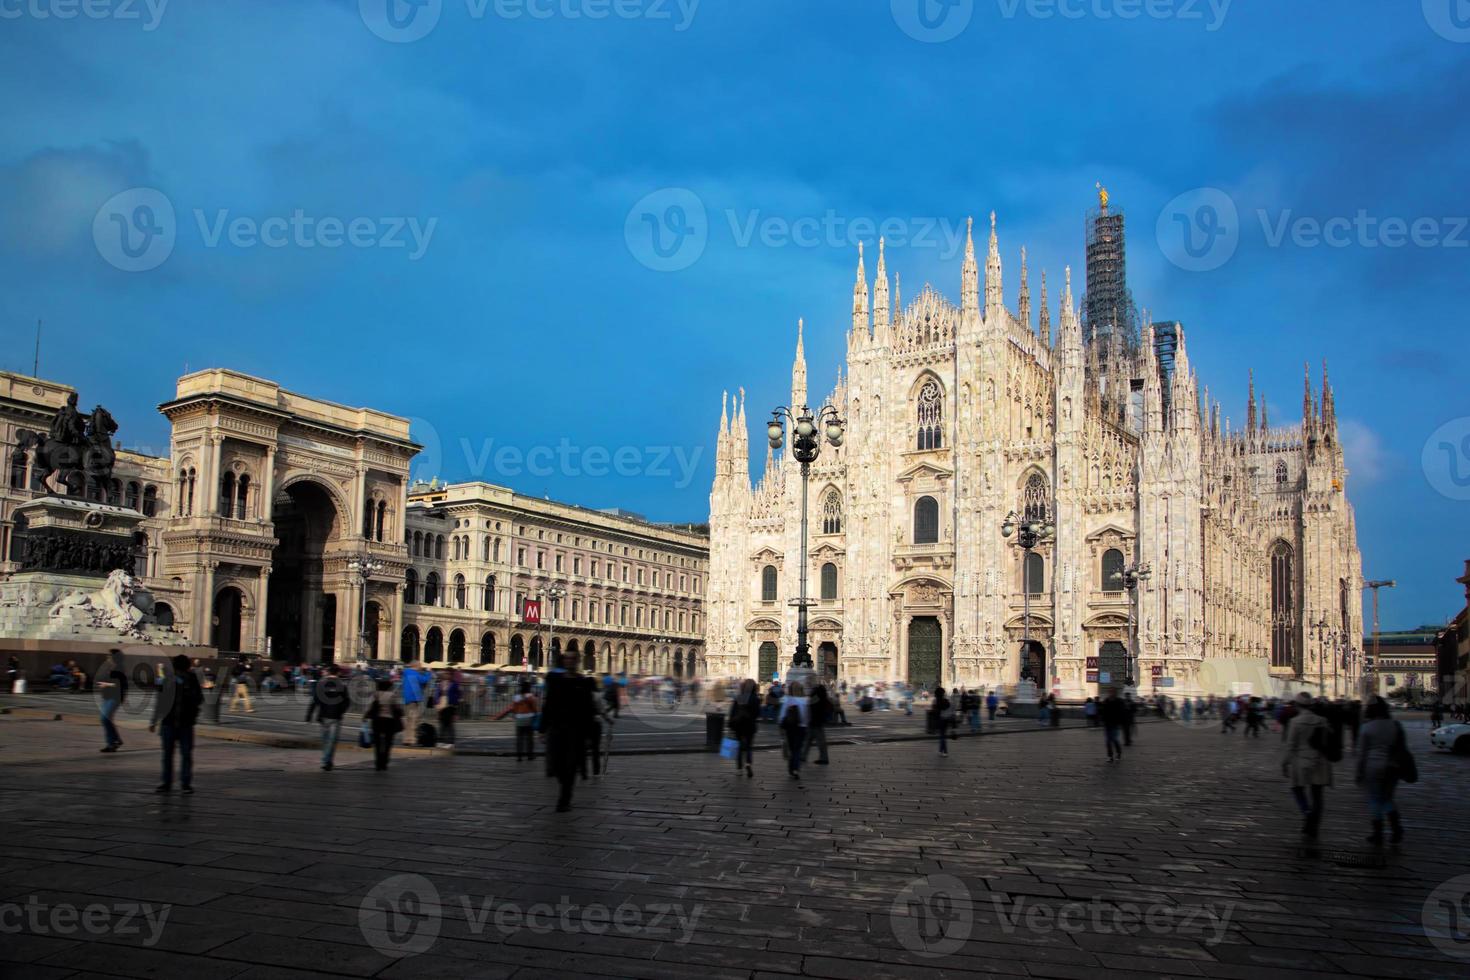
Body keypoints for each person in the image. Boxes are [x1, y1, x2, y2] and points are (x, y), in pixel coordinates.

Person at [540, 652, 596, 811]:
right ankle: (565, 786)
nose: (569, 661)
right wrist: (542, 729)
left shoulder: (582, 682)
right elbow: (548, 704)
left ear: (577, 661)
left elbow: (588, 709)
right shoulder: (555, 680)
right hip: (557, 728)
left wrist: (589, 735)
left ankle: (565, 797)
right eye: (566, 658)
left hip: (575, 730)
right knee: (556, 765)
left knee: (570, 764)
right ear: (563, 661)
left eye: (572, 658)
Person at [1281, 692, 1334, 840]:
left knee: (1297, 789)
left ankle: (1307, 813)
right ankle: (1314, 824)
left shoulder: (1295, 722)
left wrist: (1285, 763)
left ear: (1298, 706)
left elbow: (1290, 745)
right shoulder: (1322, 720)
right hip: (1320, 761)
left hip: (1301, 761)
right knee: (1318, 795)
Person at [1356, 698, 1407, 845]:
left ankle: (1378, 833)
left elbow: (1362, 754)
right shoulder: (1395, 725)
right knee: (1387, 798)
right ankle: (1396, 828)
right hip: (1392, 767)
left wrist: (1359, 772)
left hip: (1372, 767)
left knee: (1374, 799)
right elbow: (1402, 747)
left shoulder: (1367, 727)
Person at [149, 654, 203, 794]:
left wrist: (154, 721)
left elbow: (159, 702)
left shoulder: (182, 679)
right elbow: (199, 699)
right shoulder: (176, 679)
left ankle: (168, 783)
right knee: (183, 755)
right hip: (182, 723)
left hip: (173, 722)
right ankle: (183, 784)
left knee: (169, 755)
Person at [306, 664, 351, 770]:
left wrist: (309, 715)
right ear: (338, 673)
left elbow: (314, 701)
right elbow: (347, 702)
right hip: (335, 716)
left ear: (329, 672)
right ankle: (327, 761)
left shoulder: (321, 684)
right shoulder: (342, 685)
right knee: (332, 741)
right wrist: (341, 712)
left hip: (323, 716)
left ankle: (326, 760)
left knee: (325, 740)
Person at [364, 679, 404, 770]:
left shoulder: (376, 694)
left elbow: (370, 707)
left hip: (377, 720)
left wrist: (365, 716)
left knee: (377, 743)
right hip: (389, 721)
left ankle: (378, 763)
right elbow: (397, 708)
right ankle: (384, 762)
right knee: (388, 743)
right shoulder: (392, 695)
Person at [495, 681, 540, 761]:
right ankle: (530, 756)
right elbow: (535, 709)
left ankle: (519, 756)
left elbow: (513, 709)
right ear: (529, 688)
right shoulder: (531, 697)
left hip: (519, 719)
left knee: (519, 739)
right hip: (529, 720)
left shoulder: (516, 697)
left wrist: (499, 716)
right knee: (529, 739)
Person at [96, 649, 128, 752]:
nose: (107, 657)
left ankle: (113, 741)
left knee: (105, 718)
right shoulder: (111, 667)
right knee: (106, 719)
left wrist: (106, 684)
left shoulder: (120, 668)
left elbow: (120, 684)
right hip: (108, 696)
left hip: (115, 697)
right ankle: (113, 742)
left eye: (109, 655)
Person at [728, 679, 760, 777]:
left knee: (738, 746)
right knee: (749, 746)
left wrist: (730, 723)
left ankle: (739, 769)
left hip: (738, 725)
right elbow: (757, 713)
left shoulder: (739, 697)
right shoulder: (755, 698)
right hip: (750, 725)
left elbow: (732, 712)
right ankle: (748, 764)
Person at [779, 681, 810, 778]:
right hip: (802, 728)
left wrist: (781, 727)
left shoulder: (788, 700)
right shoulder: (805, 700)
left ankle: (791, 768)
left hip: (790, 728)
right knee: (798, 749)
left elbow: (782, 715)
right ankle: (796, 769)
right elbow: (807, 716)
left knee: (792, 748)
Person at [400, 661, 432, 736]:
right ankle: (412, 738)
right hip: (414, 698)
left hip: (407, 698)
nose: (421, 667)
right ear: (416, 666)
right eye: (420, 665)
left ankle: (407, 738)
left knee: (408, 718)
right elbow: (424, 680)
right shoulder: (415, 674)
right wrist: (428, 672)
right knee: (414, 719)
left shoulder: (406, 673)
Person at [805, 684, 833, 766]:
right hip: (818, 722)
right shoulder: (824, 698)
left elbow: (809, 708)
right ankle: (822, 758)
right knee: (818, 742)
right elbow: (830, 707)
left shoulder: (814, 699)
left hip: (814, 723)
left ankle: (823, 758)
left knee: (809, 741)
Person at [432, 670, 462, 746]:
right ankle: (441, 740)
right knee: (442, 724)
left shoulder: (454, 684)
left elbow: (458, 694)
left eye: (448, 674)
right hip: (442, 704)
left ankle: (451, 741)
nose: (446, 675)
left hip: (450, 705)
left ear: (451, 675)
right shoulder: (440, 684)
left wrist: (456, 705)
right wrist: (436, 703)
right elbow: (437, 694)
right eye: (445, 673)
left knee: (449, 724)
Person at [1100, 688, 1126, 763]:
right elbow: (1103, 711)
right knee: (1108, 741)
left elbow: (1122, 712)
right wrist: (1102, 719)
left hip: (1115, 724)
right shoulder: (1106, 701)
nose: (1111, 693)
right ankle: (1110, 756)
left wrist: (1120, 722)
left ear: (1115, 693)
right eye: (1110, 692)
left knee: (1114, 740)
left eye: (1112, 692)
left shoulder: (1119, 701)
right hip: (1107, 724)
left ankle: (1118, 753)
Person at [931, 686, 952, 757]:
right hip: (946, 719)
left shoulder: (935, 700)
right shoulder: (946, 700)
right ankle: (940, 750)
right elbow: (949, 709)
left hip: (939, 719)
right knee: (943, 735)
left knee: (942, 736)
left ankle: (945, 752)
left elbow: (933, 711)